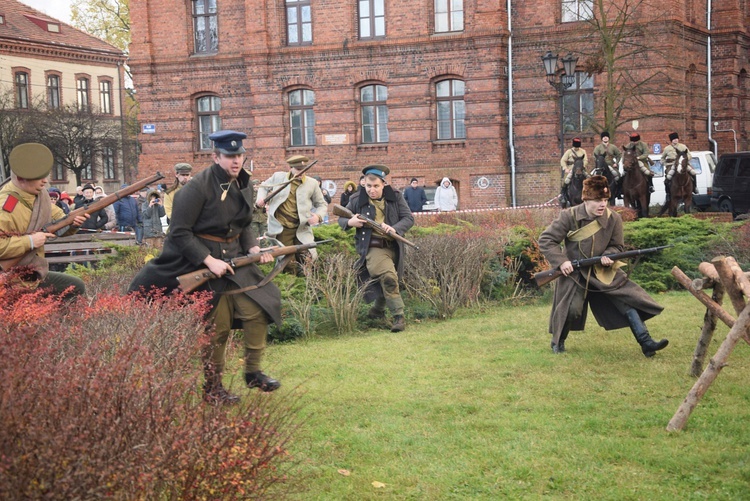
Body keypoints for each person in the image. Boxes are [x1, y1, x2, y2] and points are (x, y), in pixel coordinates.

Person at [128, 130, 282, 404]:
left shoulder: (244, 183)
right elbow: (179, 233)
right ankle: (213, 388)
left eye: (239, 156)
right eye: (229, 156)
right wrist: (209, 261)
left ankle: (253, 372)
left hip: (236, 259)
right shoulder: (196, 187)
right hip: (203, 262)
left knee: (260, 307)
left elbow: (244, 224)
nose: (236, 161)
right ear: (216, 157)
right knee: (217, 328)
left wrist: (255, 250)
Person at [538, 175, 668, 357]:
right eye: (598, 200)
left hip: (602, 270)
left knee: (627, 301)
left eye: (606, 200)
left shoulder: (613, 218)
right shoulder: (570, 216)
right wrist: (562, 262)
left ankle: (646, 342)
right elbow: (546, 240)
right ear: (586, 199)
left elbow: (617, 246)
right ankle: (558, 342)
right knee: (571, 309)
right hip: (575, 272)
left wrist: (608, 255)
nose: (603, 204)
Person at [0, 143, 88, 297]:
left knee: (75, 286)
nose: (45, 181)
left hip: (32, 275)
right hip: (9, 279)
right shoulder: (5, 206)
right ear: (21, 178)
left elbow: (60, 221)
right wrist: (30, 241)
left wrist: (73, 223)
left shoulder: (41, 198)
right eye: (38, 177)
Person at [339, 165, 414, 332]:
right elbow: (341, 218)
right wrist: (350, 222)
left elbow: (408, 218)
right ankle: (399, 317)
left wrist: (395, 228)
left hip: (394, 246)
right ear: (364, 184)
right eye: (368, 186)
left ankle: (376, 311)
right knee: (388, 277)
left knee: (392, 280)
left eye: (376, 186)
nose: (371, 190)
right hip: (373, 247)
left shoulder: (395, 197)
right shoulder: (357, 199)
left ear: (384, 184)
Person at [255, 155, 327, 273]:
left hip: (302, 229)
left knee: (308, 259)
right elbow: (263, 187)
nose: (301, 173)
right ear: (291, 168)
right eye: (298, 170)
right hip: (282, 229)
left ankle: (307, 286)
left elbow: (322, 204)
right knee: (288, 263)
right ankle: (291, 288)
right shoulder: (278, 177)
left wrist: (318, 216)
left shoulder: (312, 183)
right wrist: (261, 199)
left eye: (303, 170)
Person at [661, 131, 698, 196]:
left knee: (693, 173)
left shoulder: (683, 146)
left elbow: (689, 155)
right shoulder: (667, 148)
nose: (676, 140)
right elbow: (662, 158)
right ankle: (668, 193)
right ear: (671, 140)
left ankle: (694, 188)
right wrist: (665, 164)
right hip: (671, 164)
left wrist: (684, 160)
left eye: (677, 138)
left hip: (683, 164)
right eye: (674, 139)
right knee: (668, 177)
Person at [560, 137, 590, 204]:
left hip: (581, 168)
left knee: (590, 179)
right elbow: (563, 160)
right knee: (566, 180)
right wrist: (565, 168)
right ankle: (563, 195)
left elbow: (585, 160)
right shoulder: (569, 152)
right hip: (571, 168)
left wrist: (582, 167)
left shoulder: (583, 151)